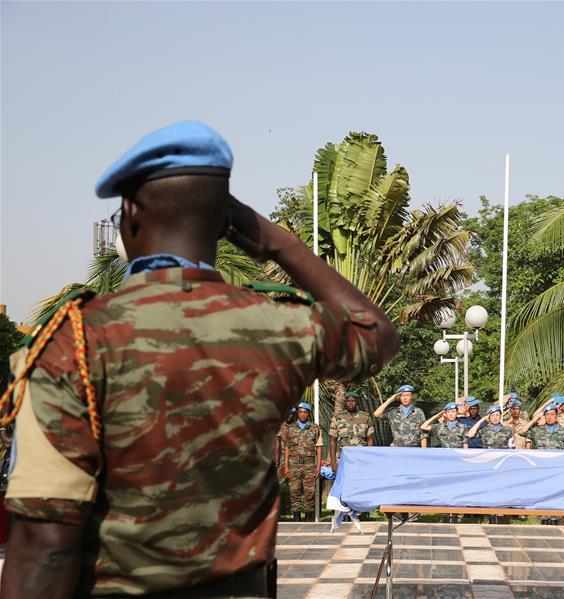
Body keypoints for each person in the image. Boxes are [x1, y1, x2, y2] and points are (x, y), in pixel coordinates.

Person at [0, 121, 398, 597]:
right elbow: (375, 334)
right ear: (226, 223)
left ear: (129, 213)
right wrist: (281, 244)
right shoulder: (280, 327)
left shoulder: (75, 343)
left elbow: (46, 548)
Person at [278, 403, 323, 522]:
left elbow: (319, 448)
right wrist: (286, 467)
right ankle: (296, 520)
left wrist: (318, 466)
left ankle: (308, 520)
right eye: (300, 412)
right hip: (294, 465)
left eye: (305, 412)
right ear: (297, 413)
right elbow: (287, 448)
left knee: (309, 493)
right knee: (295, 492)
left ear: (309, 413)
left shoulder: (315, 428)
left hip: (309, 465)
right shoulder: (290, 428)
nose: (303, 414)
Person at [328, 390, 374, 474]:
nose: (350, 403)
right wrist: (333, 462)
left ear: (357, 403)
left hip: (361, 459)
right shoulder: (338, 418)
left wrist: (368, 458)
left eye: (353, 401)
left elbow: (370, 439)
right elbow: (332, 441)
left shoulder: (365, 417)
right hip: (343, 459)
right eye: (348, 401)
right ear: (345, 402)